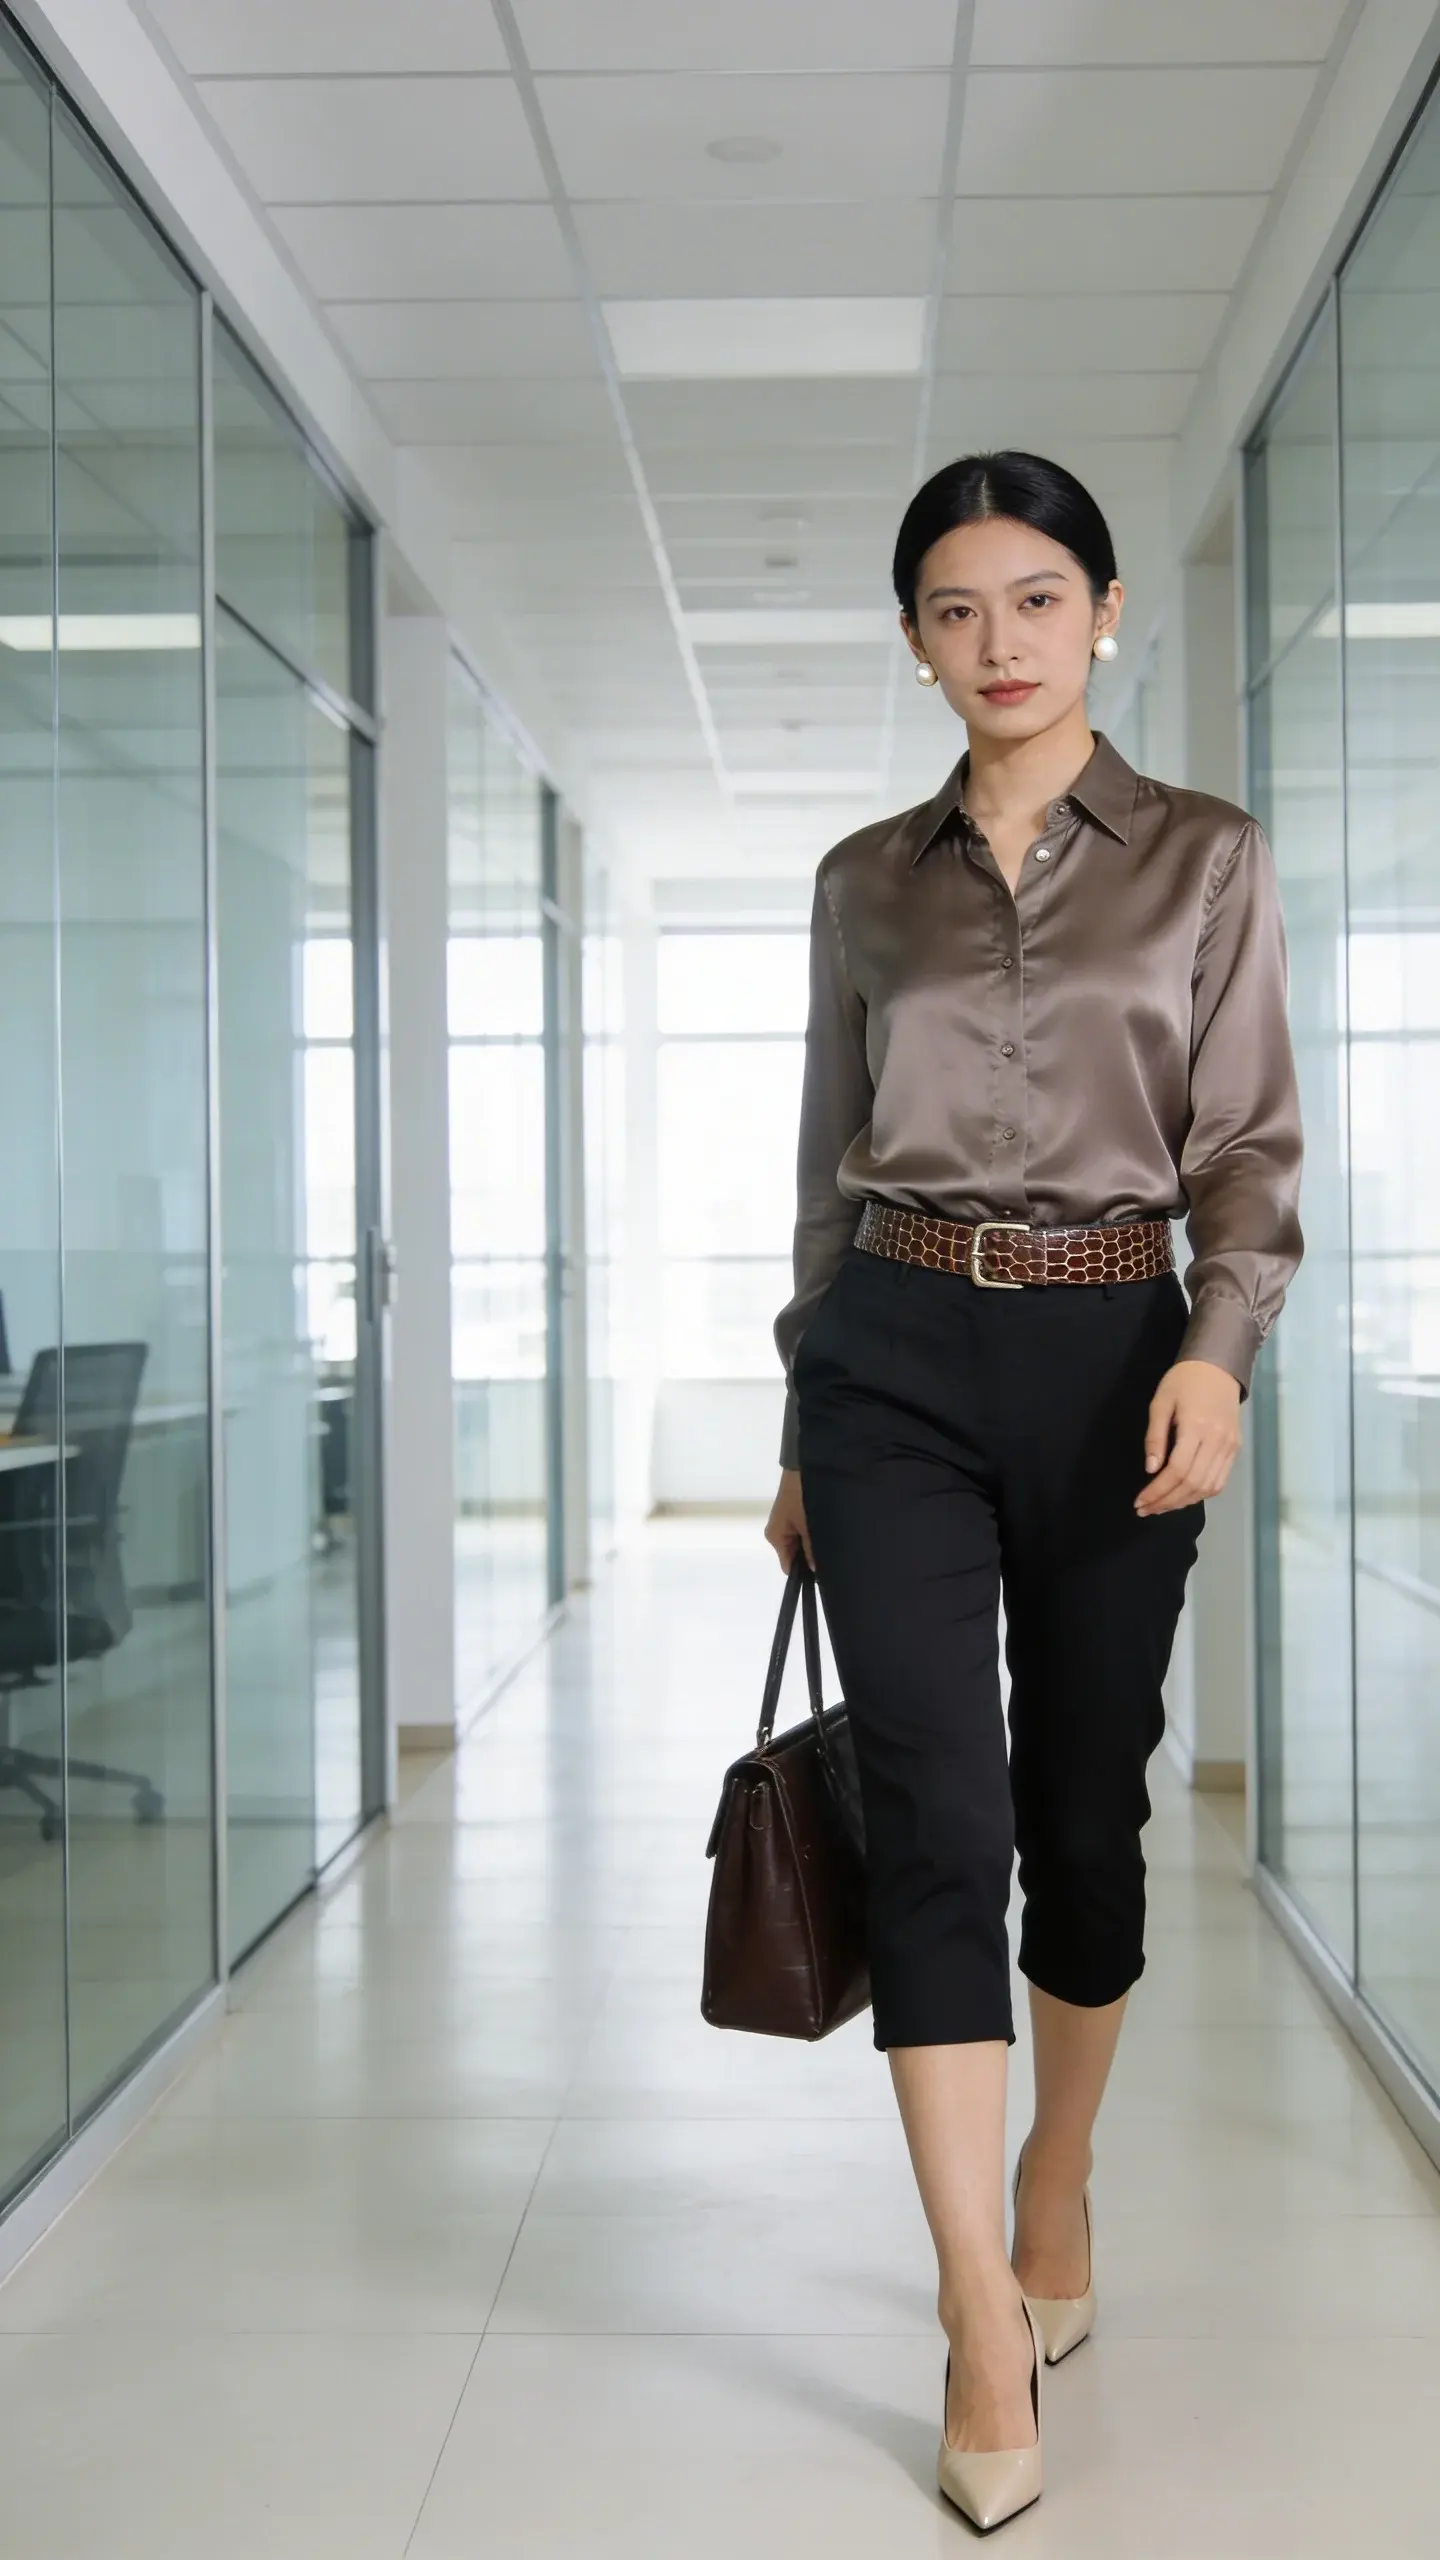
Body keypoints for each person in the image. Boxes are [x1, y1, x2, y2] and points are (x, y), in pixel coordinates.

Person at [764, 450, 1303, 2534]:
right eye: (957, 606)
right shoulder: (858, 883)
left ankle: (1056, 2169)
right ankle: (980, 2301)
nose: (1000, 640)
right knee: (936, 1804)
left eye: (1038, 597)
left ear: (1100, 616)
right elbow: (828, 1171)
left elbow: (1248, 1143)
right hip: (891, 1346)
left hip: (1111, 1356)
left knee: (1082, 1806)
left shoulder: (1204, 859)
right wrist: (804, 1421)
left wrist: (1215, 1349)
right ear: (914, 636)